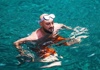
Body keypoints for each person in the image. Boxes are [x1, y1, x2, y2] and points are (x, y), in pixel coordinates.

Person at [14, 13, 87, 66]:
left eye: (52, 23)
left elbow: (63, 26)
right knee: (54, 60)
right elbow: (16, 43)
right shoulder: (35, 37)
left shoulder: (56, 26)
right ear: (41, 24)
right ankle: (34, 61)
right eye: (48, 24)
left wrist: (73, 30)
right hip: (41, 45)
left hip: (53, 39)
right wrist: (22, 52)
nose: (51, 26)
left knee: (78, 40)